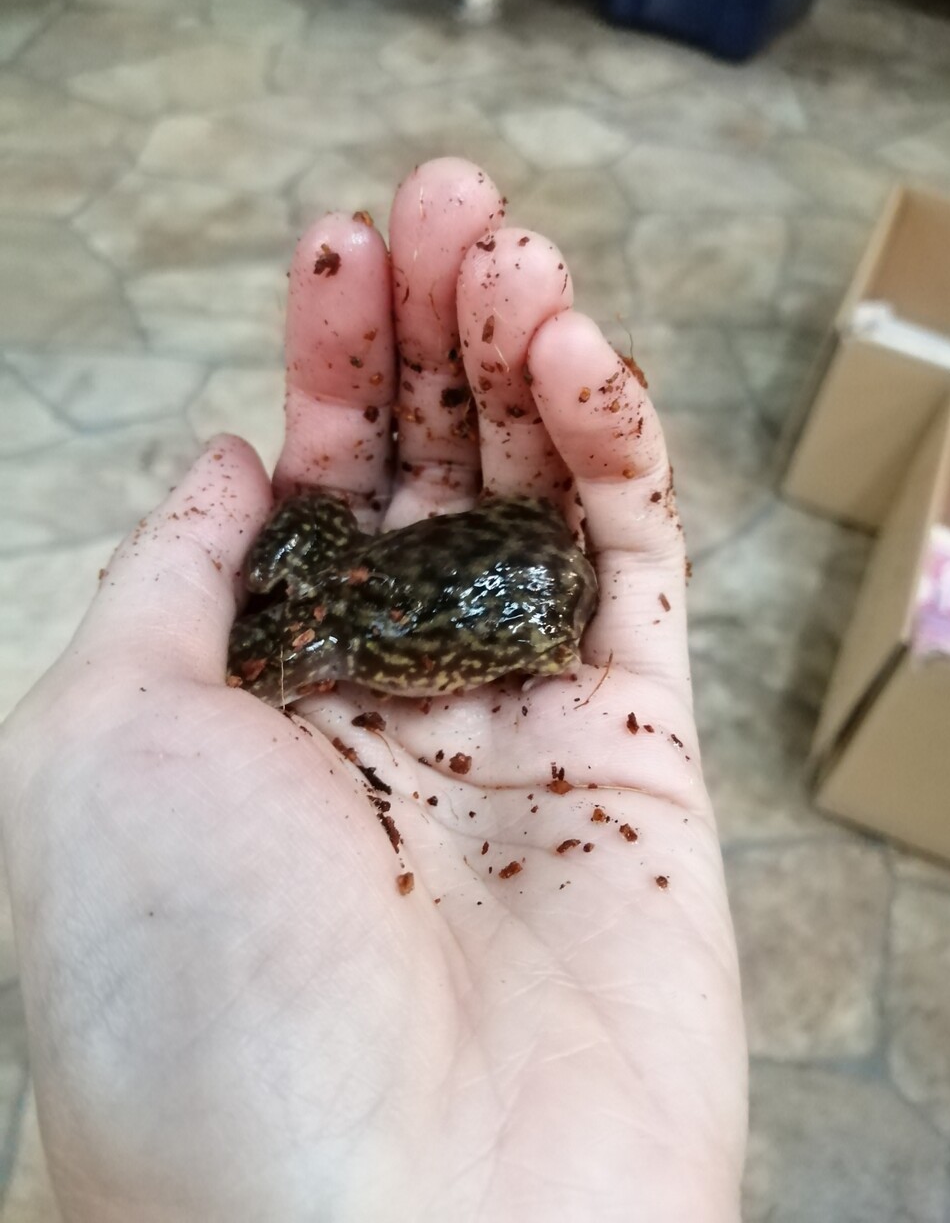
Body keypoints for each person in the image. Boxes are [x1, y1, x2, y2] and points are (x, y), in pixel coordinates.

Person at [0, 159, 747, 1222]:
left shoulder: (371, 624)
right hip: (461, 585)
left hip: (509, 584)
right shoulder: (339, 616)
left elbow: (449, 611)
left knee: (366, 610)